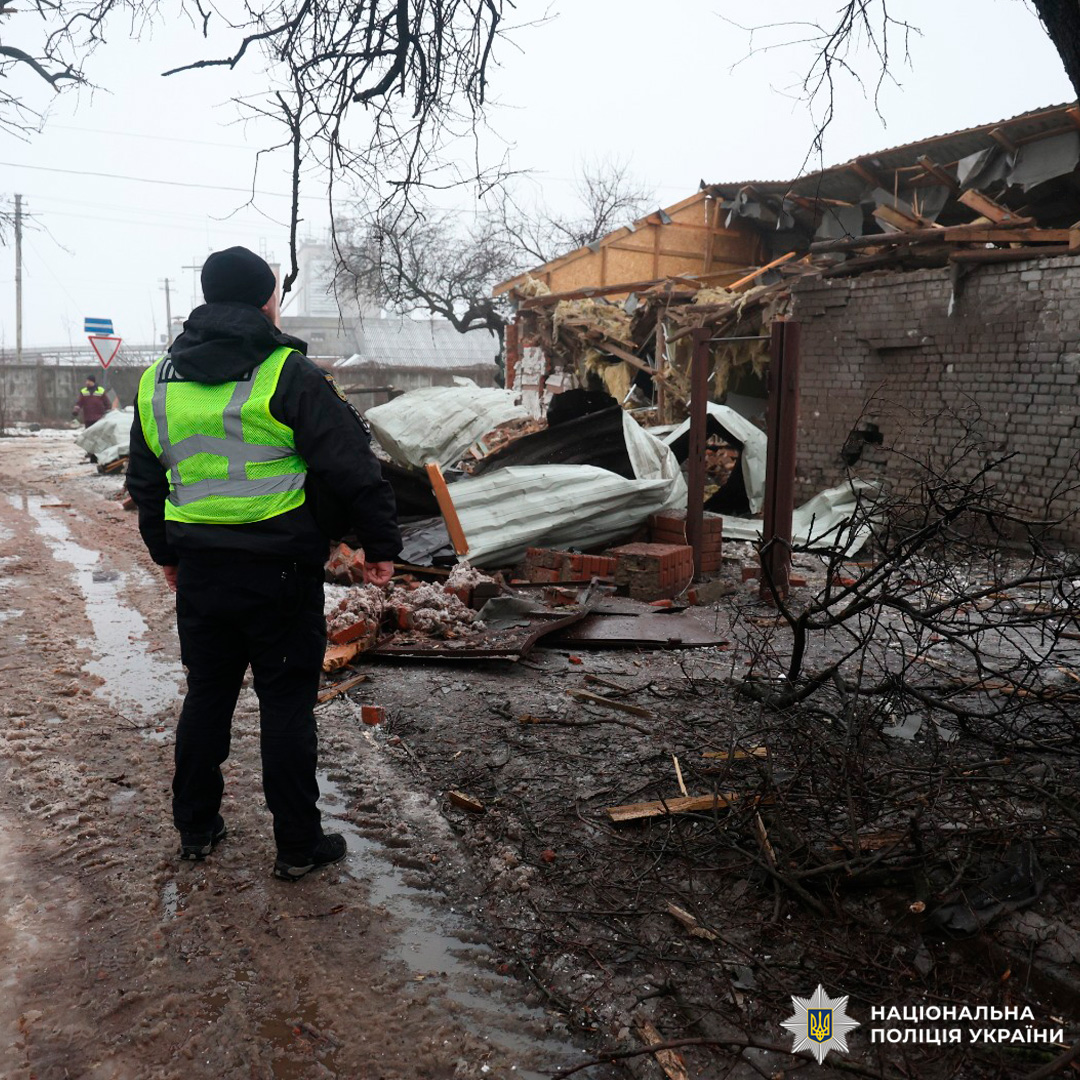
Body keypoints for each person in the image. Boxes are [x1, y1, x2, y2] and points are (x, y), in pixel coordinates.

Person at [126, 245, 401, 881]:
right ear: (266, 299)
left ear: (206, 295)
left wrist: (166, 553)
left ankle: (196, 827)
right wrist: (381, 546)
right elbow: (353, 467)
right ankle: (298, 846)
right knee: (284, 706)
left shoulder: (156, 381)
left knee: (207, 695)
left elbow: (146, 481)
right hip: (280, 574)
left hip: (201, 572)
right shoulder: (288, 373)